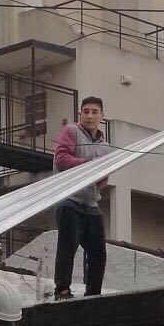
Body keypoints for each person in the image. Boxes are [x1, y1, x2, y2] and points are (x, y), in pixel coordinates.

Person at [52, 95, 111, 299]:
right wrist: (89, 165)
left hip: (91, 202)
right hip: (69, 199)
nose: (90, 116)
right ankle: (62, 290)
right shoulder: (71, 131)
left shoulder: (105, 146)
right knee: (68, 247)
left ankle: (93, 294)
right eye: (86, 112)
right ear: (80, 114)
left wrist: (99, 176)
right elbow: (61, 159)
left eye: (94, 112)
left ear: (102, 115)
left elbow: (104, 178)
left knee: (98, 253)